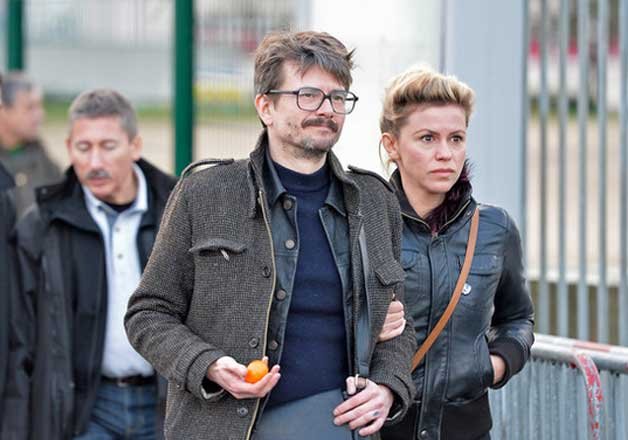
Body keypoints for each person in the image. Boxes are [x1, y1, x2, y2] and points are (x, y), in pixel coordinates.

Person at [125, 30, 416, 440]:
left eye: (338, 97)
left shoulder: (374, 200)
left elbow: (398, 325)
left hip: (337, 429)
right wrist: (208, 365)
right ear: (265, 106)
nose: (327, 109)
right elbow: (148, 313)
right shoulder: (204, 193)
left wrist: (387, 387)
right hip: (220, 428)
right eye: (308, 95)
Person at [3, 89, 176, 439]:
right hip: (85, 412)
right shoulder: (41, 226)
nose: (95, 162)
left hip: (166, 405)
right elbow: (20, 341)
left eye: (108, 146)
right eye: (84, 148)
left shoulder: (178, 213)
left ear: (135, 146)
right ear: (69, 148)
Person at [377, 67, 535, 440]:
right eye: (427, 138)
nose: (445, 154)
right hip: (380, 428)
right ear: (392, 145)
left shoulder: (495, 229)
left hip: (468, 429)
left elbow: (518, 318)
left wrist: (494, 365)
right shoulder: (364, 227)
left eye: (456, 138)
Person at [0, 72, 62, 216]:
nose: (40, 115)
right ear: (3, 111)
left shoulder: (41, 155)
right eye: (30, 108)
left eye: (40, 106)